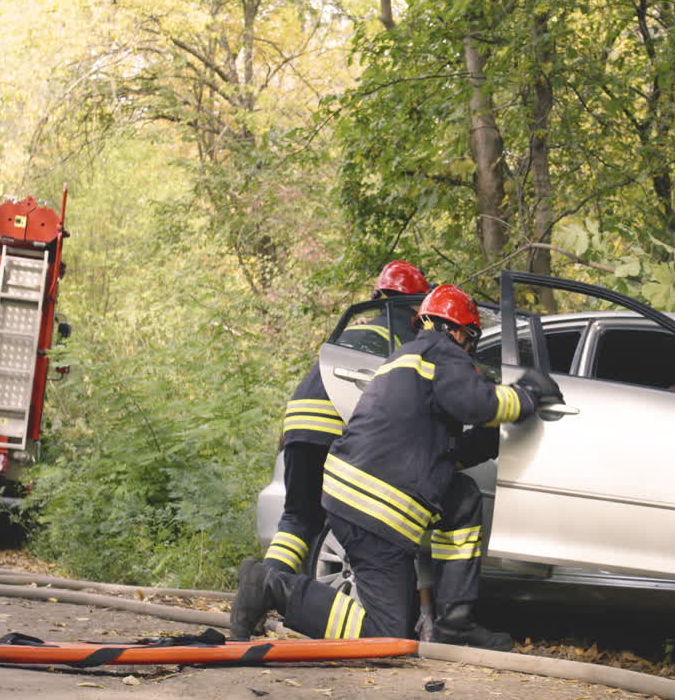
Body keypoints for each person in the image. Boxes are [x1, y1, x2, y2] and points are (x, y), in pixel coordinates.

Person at [232, 284, 559, 649]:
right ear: (456, 331)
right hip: (375, 511)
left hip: (355, 497)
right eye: (469, 340)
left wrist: (488, 440)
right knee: (385, 635)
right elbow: (475, 403)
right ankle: (273, 587)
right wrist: (526, 396)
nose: (468, 351)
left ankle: (454, 623)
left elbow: (432, 450)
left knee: (462, 497)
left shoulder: (405, 359)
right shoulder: (442, 351)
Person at [262, 260, 430, 576]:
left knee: (297, 518)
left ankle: (262, 588)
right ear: (416, 306)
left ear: (378, 296)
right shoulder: (404, 340)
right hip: (335, 431)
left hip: (299, 425)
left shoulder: (354, 331)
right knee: (349, 515)